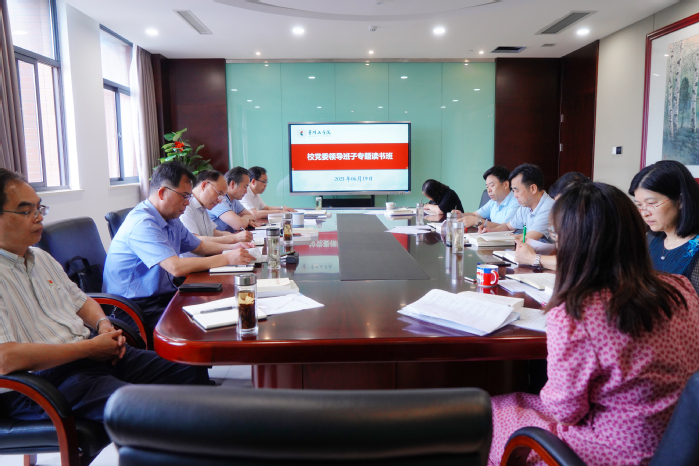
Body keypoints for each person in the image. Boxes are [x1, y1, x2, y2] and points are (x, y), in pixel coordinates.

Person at [488, 182, 699, 466]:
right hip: (676, 443)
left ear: (574, 243)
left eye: (557, 236)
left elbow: (565, 411)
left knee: (490, 411)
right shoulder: (681, 288)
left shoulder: (580, 313)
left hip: (607, 453)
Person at [0, 169, 209, 433]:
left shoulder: (40, 258)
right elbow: (5, 359)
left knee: (190, 368)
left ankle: (203, 439)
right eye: (26, 211)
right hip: (41, 382)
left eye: (39, 208)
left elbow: (82, 301)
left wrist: (103, 325)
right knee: (149, 407)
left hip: (88, 355)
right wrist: (89, 348)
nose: (39, 216)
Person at [103, 162, 254, 331]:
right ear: (162, 192)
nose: (188, 203)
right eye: (184, 196)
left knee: (223, 307)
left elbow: (199, 246)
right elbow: (175, 267)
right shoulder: (142, 223)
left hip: (161, 296)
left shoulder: (171, 219)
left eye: (189, 196)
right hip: (133, 307)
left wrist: (234, 247)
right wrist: (227, 258)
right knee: (201, 327)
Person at [629, 160, 699, 295]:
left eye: (651, 203)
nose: (644, 213)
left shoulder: (695, 250)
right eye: (639, 205)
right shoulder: (652, 238)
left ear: (681, 201)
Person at [514, 172, 590, 270]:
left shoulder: (592, 221)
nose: (558, 210)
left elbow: (576, 262)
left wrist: (533, 258)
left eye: (561, 205)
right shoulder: (571, 221)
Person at [180, 169, 254, 257]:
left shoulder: (203, 206)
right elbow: (195, 240)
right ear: (204, 185)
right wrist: (233, 239)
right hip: (196, 263)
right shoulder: (186, 207)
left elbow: (214, 232)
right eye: (219, 194)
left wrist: (234, 238)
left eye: (222, 197)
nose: (219, 201)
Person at [480, 163, 554, 242]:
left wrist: (507, 236)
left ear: (533, 188)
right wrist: (492, 231)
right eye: (513, 191)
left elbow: (529, 238)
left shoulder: (549, 207)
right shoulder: (525, 206)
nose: (515, 195)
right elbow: (508, 227)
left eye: (517, 191)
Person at [208, 166, 260, 231]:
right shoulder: (220, 199)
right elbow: (239, 225)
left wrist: (245, 220)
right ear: (232, 184)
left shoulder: (234, 200)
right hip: (221, 237)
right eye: (245, 187)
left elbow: (252, 217)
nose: (246, 192)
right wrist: (246, 218)